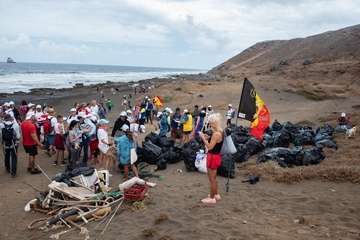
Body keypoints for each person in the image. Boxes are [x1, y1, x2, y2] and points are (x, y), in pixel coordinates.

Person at [199, 113, 223, 204]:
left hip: (212, 156)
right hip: (216, 156)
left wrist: (203, 138)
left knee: (211, 178)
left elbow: (209, 147)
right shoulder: (220, 131)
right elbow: (216, 142)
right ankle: (216, 194)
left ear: (214, 123)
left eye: (210, 123)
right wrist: (208, 137)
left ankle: (212, 198)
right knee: (214, 177)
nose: (209, 125)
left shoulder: (216, 134)